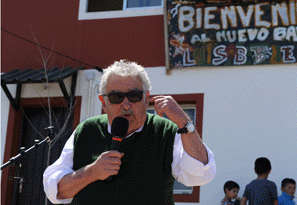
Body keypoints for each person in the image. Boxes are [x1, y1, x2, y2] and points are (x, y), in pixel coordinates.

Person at [43, 60, 216, 204]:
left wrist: (185, 123)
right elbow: (55, 191)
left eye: (134, 96)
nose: (126, 104)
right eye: (117, 97)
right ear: (104, 103)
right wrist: (91, 172)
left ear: (146, 98)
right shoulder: (87, 130)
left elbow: (200, 175)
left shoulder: (166, 132)